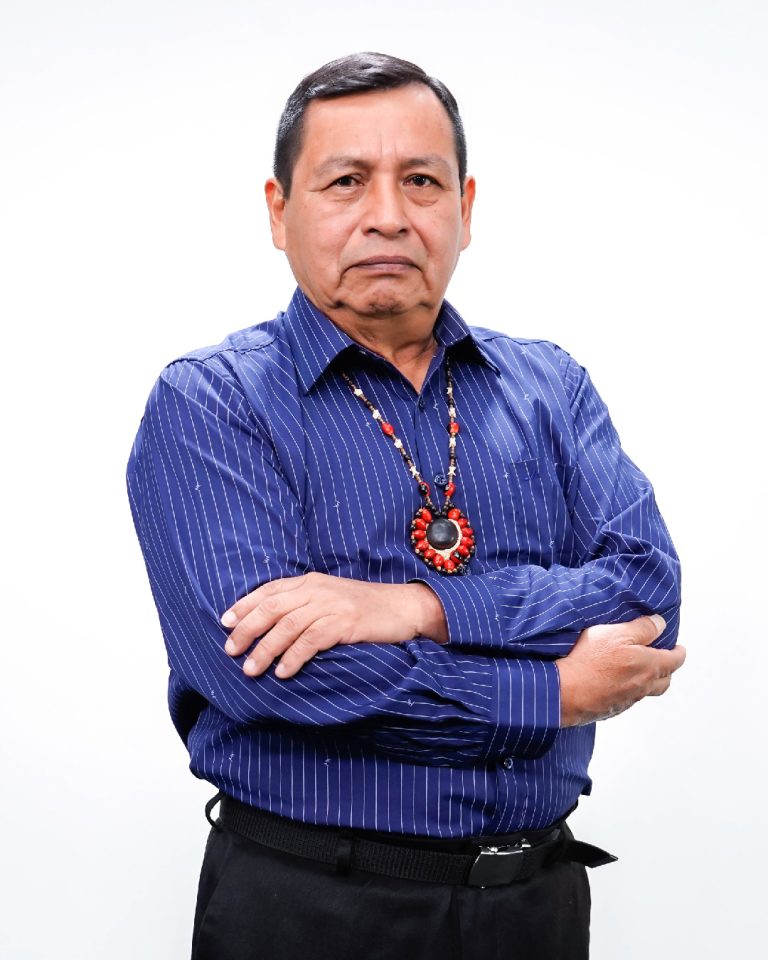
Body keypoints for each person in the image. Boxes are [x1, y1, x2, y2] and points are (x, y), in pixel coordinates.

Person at [126, 52, 685, 960]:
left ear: (465, 207)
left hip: (536, 905)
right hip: (311, 908)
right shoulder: (213, 402)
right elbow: (271, 673)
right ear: (279, 211)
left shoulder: (550, 386)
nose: (388, 214)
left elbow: (645, 595)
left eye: (420, 181)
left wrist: (416, 607)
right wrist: (548, 692)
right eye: (346, 181)